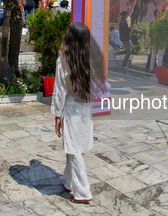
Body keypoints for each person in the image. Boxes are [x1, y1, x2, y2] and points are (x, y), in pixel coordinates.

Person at [51, 22, 106, 204]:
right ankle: (68, 182)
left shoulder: (64, 60)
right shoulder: (91, 57)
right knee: (72, 144)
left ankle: (83, 192)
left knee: (74, 150)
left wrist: (57, 115)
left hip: (72, 109)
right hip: (85, 107)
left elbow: (60, 91)